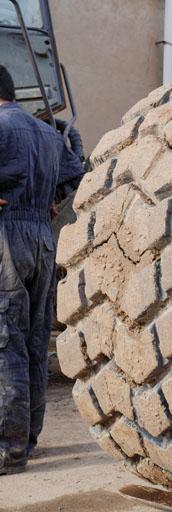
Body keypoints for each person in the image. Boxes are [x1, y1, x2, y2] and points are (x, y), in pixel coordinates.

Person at [0, 64, 84, 474]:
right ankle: (28, 438)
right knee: (34, 341)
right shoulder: (49, 134)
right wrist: (48, 201)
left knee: (5, 343)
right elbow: (75, 175)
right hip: (42, 239)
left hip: (6, 239)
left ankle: (8, 448)